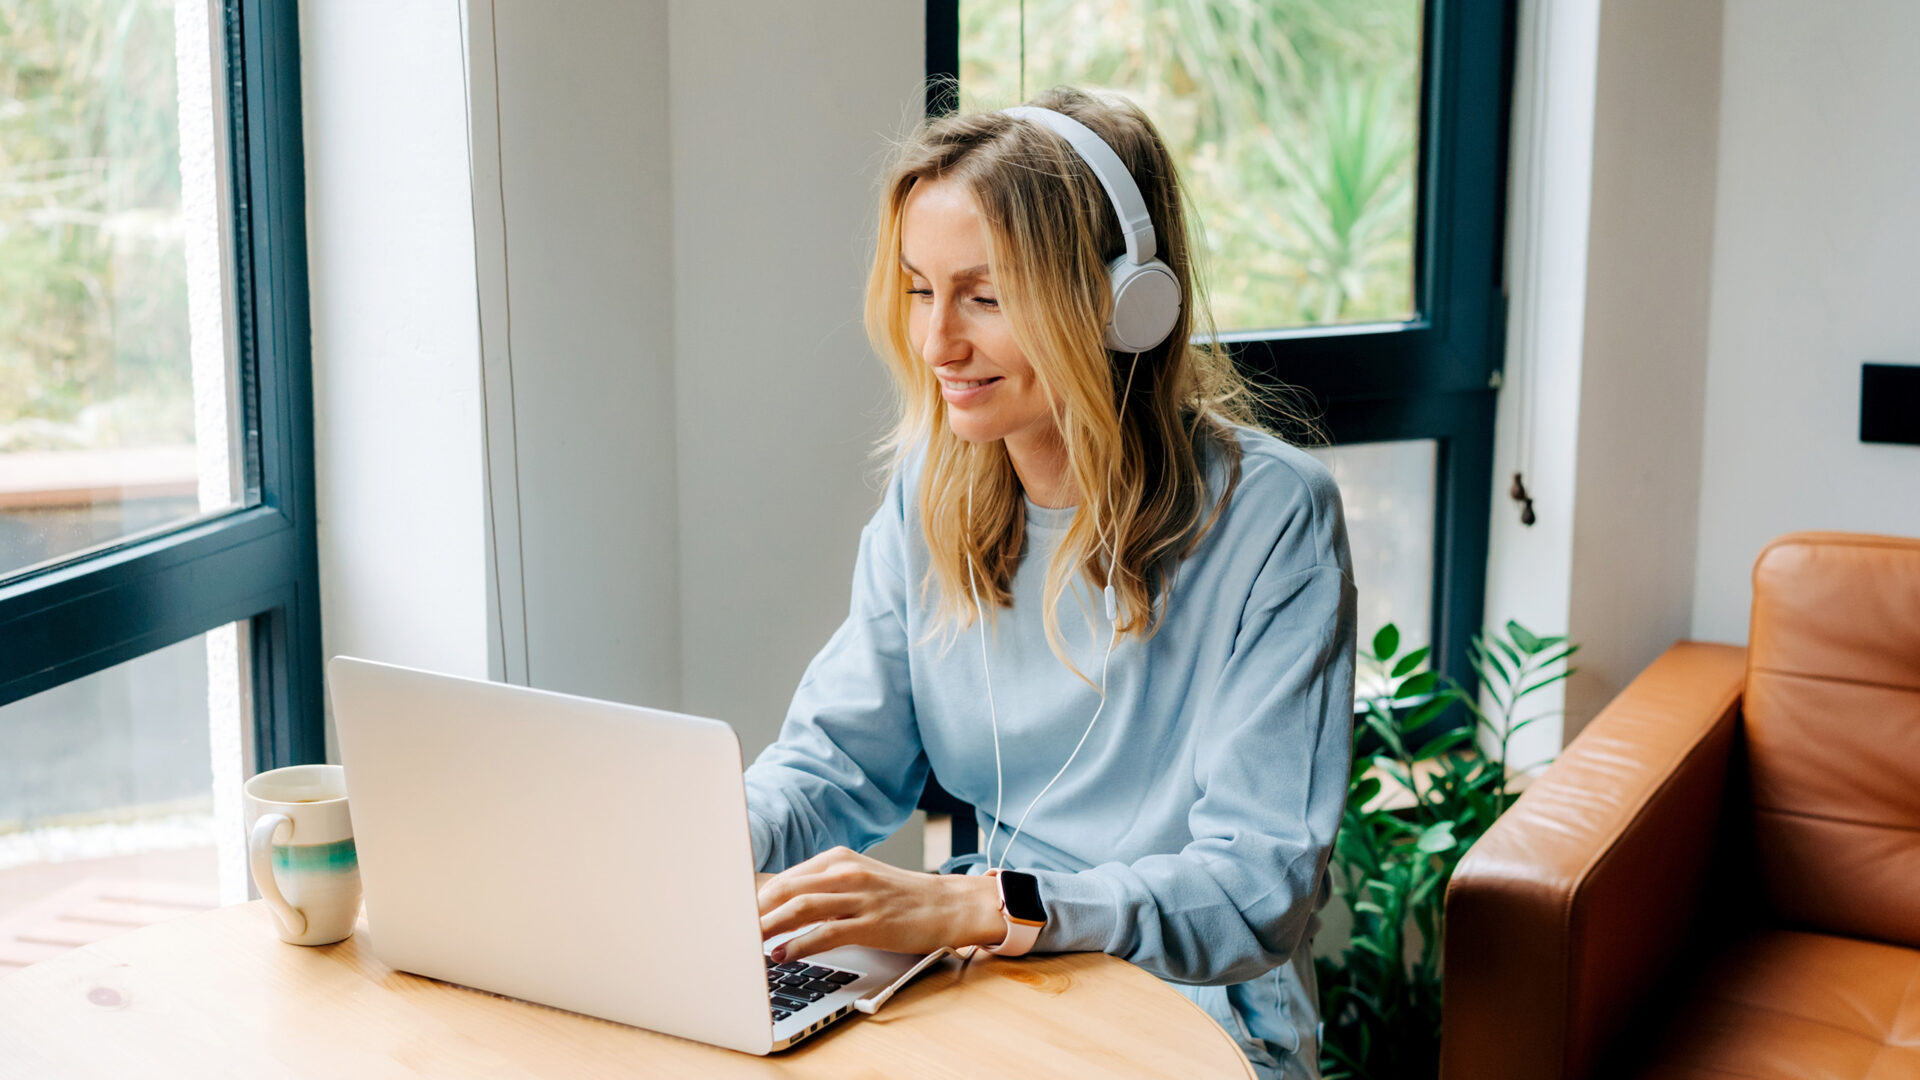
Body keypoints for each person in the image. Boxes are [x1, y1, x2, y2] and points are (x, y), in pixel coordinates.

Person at [744, 85, 1356, 1079]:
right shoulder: (929, 495)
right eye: (917, 288)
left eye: (984, 297)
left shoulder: (1273, 520)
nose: (937, 342)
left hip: (1199, 1018)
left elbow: (1255, 887)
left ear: (1120, 304)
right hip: (988, 971)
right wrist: (707, 841)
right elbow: (833, 768)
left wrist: (985, 907)